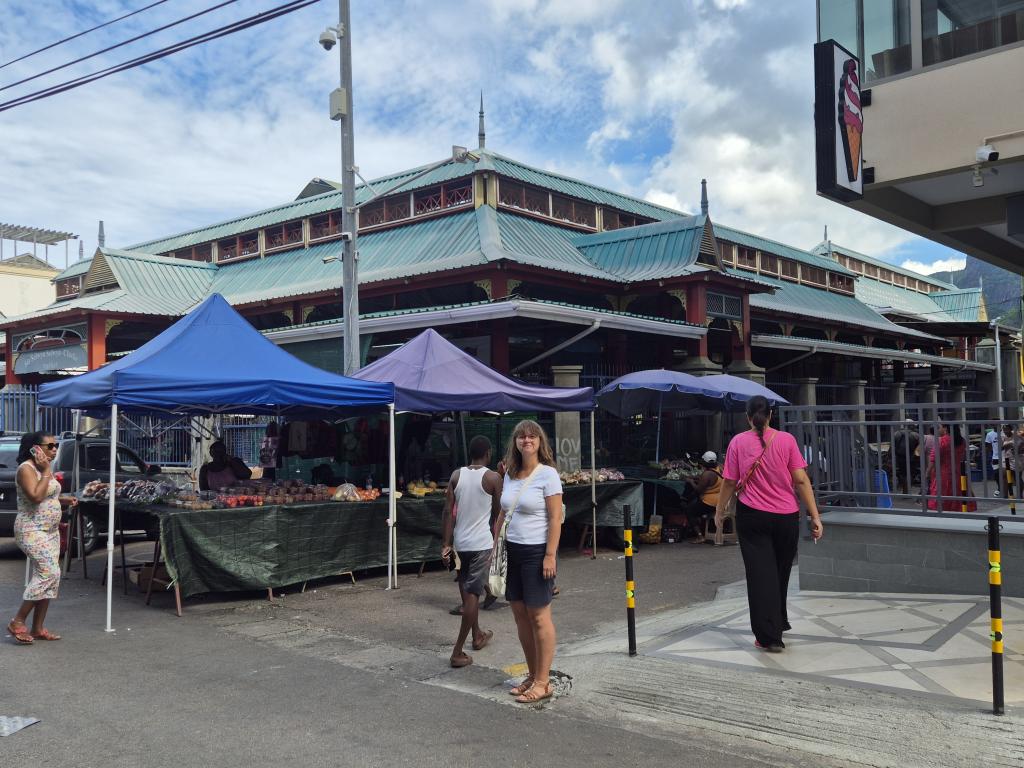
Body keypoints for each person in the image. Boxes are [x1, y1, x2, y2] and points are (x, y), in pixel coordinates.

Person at [715, 396, 823, 653]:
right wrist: (815, 516)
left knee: (760, 575)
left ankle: (768, 635)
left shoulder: (738, 442)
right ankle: (779, 622)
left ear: (747, 417)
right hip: (787, 517)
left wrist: (720, 510)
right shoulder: (787, 441)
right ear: (771, 416)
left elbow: (729, 482)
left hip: (753, 516)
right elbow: (801, 480)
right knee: (780, 572)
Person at [496, 419, 563, 704]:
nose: (527, 441)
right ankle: (533, 674)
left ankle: (543, 681)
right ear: (516, 442)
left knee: (539, 616)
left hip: (537, 553)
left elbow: (554, 518)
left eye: (532, 436)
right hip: (513, 551)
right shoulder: (510, 473)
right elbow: (503, 513)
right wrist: (495, 546)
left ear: (540, 442)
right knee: (520, 615)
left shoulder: (548, 475)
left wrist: (550, 554)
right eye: (522, 437)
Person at [8, 432, 76, 644]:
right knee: (49, 572)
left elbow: (48, 495)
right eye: (50, 446)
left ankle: (38, 627)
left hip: (50, 531)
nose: (55, 449)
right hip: (31, 530)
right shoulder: (26, 469)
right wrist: (46, 471)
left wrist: (63, 500)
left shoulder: (44, 469)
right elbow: (35, 496)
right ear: (34, 449)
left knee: (51, 578)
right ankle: (18, 621)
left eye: (55, 445)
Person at [440, 436, 503, 668]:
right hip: (480, 544)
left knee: (467, 593)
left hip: (460, 543)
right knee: (473, 596)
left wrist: (446, 543)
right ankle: (457, 651)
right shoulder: (493, 477)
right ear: (488, 453)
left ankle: (477, 634)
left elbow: (448, 512)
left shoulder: (456, 476)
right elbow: (498, 512)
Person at [927, 424, 976, 512]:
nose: (939, 429)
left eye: (940, 427)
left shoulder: (941, 441)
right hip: (958, 472)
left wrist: (927, 473)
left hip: (943, 474)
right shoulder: (962, 441)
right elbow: (963, 457)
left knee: (943, 493)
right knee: (959, 491)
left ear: (946, 428)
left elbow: (933, 459)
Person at [684, 451, 723, 544]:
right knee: (695, 506)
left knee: (689, 510)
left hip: (710, 503)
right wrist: (695, 478)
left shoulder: (707, 474)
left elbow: (698, 490)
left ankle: (700, 536)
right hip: (720, 501)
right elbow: (708, 480)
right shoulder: (719, 469)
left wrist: (690, 481)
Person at [892, 419, 920, 488]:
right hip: (912, 459)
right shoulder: (916, 435)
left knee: (902, 473)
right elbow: (919, 449)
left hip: (900, 458)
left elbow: (892, 448)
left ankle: (905, 488)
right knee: (910, 473)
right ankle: (908, 488)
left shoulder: (896, 434)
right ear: (911, 426)